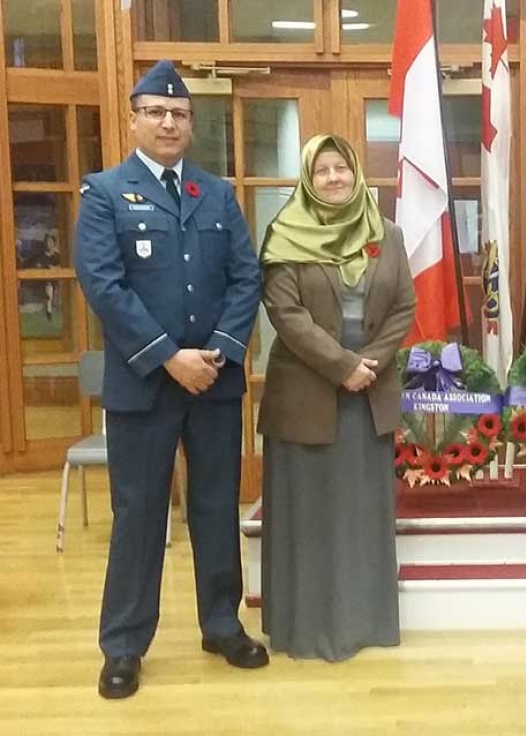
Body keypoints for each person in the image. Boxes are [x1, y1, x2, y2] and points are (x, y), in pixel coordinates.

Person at [74, 60, 267, 700]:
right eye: (155, 111)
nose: (168, 122)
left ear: (191, 123)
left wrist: (214, 352)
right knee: (139, 517)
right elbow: (104, 285)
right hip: (143, 387)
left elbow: (247, 279)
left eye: (179, 113)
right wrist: (168, 357)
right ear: (134, 119)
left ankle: (221, 624)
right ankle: (124, 645)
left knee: (216, 508)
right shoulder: (105, 192)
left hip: (212, 383)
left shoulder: (215, 194)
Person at [257, 134, 416, 661]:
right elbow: (287, 315)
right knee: (310, 518)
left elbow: (403, 306)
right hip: (307, 395)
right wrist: (342, 365)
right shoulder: (284, 234)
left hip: (369, 393)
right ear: (308, 178)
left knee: (361, 516)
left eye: (341, 168)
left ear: (355, 173)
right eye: (321, 170)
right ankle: (306, 630)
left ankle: (365, 622)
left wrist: (368, 362)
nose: (333, 178)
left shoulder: (386, 233)